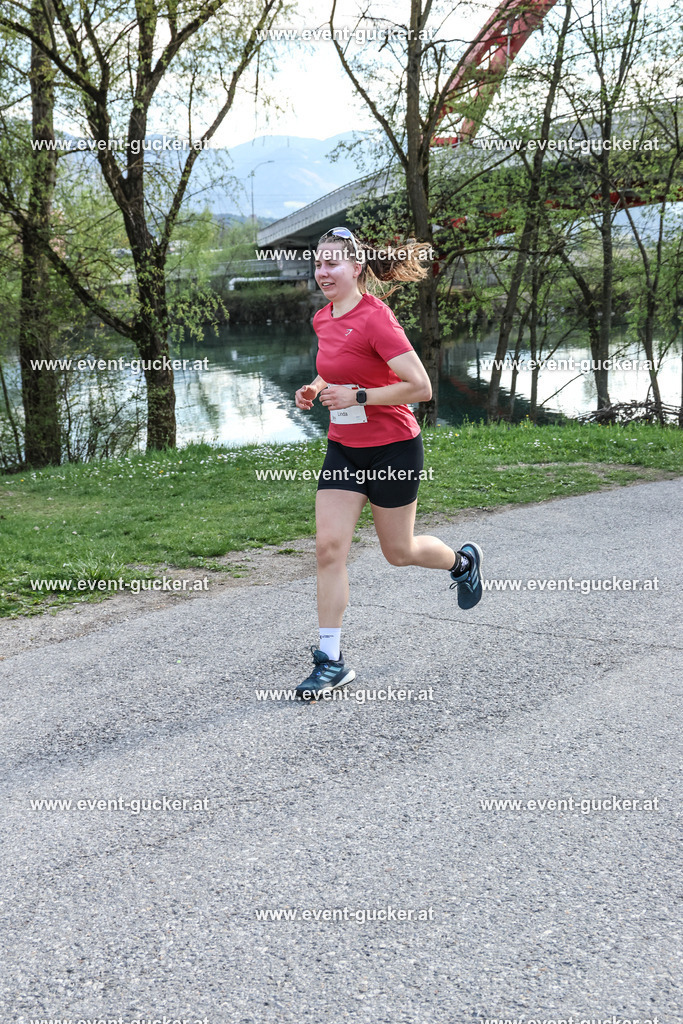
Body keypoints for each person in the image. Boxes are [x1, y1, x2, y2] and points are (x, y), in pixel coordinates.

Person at [294, 226, 483, 700]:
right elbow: (338, 360)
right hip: (344, 448)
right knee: (328, 548)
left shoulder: (377, 318)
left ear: (356, 268)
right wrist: (316, 387)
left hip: (393, 448)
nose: (323, 272)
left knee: (398, 553)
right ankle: (330, 660)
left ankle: (461, 562)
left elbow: (421, 388)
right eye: (318, 264)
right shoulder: (323, 319)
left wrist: (358, 395)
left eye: (333, 263)